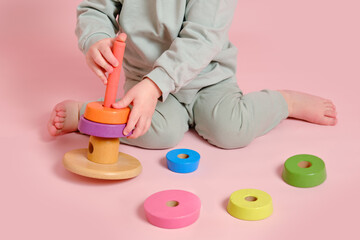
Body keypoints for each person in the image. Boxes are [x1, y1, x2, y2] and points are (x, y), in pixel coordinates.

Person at [48, 0, 337, 149]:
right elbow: (95, 7)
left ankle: (285, 102)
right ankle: (89, 116)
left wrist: (156, 85)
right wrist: (96, 38)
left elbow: (202, 39)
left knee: (231, 130)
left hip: (207, 78)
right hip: (145, 77)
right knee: (154, 131)